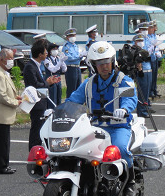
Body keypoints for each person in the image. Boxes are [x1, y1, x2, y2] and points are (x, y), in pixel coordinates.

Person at [65, 41, 138, 171]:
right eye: (99, 63)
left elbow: (130, 99)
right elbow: (72, 101)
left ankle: (130, 180)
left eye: (106, 62)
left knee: (120, 148)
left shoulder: (124, 80)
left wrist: (124, 109)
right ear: (93, 65)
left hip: (118, 127)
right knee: (78, 152)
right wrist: (56, 111)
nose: (104, 66)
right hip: (93, 128)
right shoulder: (88, 83)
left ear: (112, 61)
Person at [0, 49, 22, 174]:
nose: (12, 61)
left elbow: (7, 92)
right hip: (0, 114)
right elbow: (1, 96)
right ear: (2, 59)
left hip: (3, 113)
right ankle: (1, 166)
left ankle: (4, 164)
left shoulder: (4, 72)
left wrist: (15, 97)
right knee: (2, 142)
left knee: (4, 141)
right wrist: (15, 103)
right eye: (10, 58)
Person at [24, 39, 60, 151]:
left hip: (41, 102)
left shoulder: (38, 66)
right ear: (40, 55)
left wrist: (49, 82)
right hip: (35, 103)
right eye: (45, 52)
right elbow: (34, 85)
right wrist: (47, 83)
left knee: (40, 128)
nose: (47, 54)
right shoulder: (30, 66)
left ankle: (38, 149)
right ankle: (33, 151)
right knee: (36, 128)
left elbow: (41, 83)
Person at [132, 32, 151, 117]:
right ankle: (142, 111)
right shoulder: (135, 50)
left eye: (141, 40)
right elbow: (138, 62)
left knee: (146, 92)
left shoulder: (144, 48)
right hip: (142, 72)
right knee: (142, 92)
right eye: (138, 40)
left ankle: (145, 108)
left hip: (148, 70)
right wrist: (139, 70)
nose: (140, 42)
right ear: (135, 42)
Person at [44, 41, 67, 106]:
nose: (55, 51)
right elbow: (53, 70)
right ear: (49, 51)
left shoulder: (58, 59)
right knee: (52, 99)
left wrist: (62, 61)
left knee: (59, 98)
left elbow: (64, 69)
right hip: (51, 80)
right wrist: (60, 62)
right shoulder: (47, 60)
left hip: (58, 80)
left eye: (56, 49)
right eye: (53, 49)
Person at [63, 28, 83, 98]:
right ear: (67, 37)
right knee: (71, 89)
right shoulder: (66, 46)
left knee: (78, 88)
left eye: (74, 35)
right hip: (70, 68)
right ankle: (69, 105)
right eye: (71, 36)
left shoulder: (75, 46)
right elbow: (69, 58)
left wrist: (81, 56)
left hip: (77, 67)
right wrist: (78, 56)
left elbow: (78, 57)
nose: (73, 37)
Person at [148, 21, 162, 98]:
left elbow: (156, 46)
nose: (154, 29)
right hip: (150, 57)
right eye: (152, 28)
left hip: (155, 56)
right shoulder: (147, 37)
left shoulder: (154, 36)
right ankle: (150, 91)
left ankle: (154, 89)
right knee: (151, 75)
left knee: (155, 74)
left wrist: (158, 52)